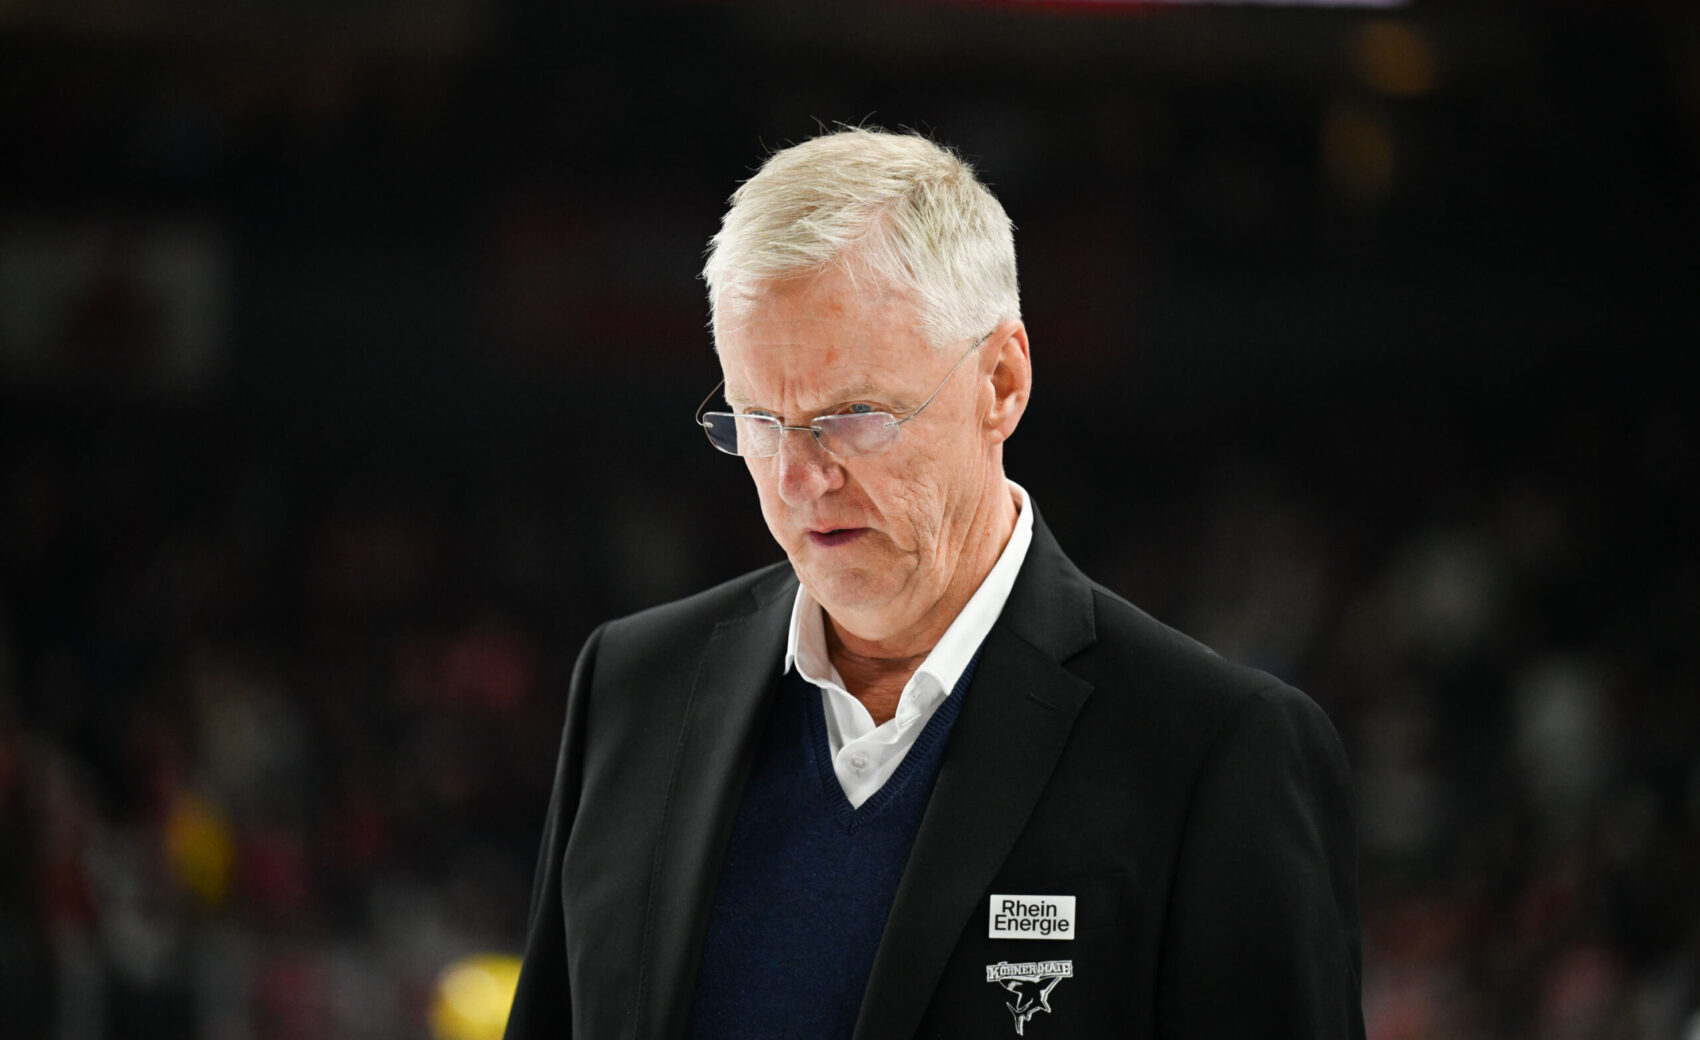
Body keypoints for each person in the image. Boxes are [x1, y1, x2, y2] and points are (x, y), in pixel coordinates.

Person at [504, 127, 1364, 1039]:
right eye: (758, 420)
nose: (799, 479)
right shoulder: (632, 689)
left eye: (852, 414)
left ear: (1002, 382)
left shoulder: (1217, 752)